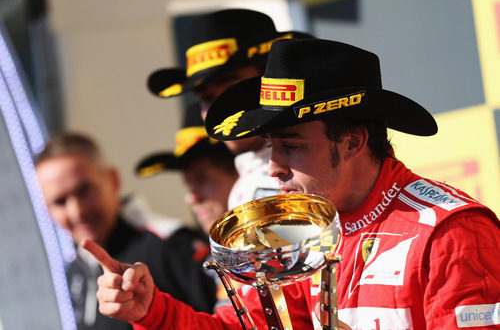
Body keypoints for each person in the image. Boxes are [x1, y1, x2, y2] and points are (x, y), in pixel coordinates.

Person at [84, 39, 500, 329]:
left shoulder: (448, 233)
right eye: (269, 146)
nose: (274, 168)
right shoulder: (302, 234)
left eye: (292, 147)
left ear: (353, 140)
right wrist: (153, 311)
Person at [35, 132, 217, 330]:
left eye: (84, 191)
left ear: (113, 180)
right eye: (60, 201)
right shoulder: (72, 272)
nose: (77, 211)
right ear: (47, 209)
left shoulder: (172, 244)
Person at [147, 8, 313, 208]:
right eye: (206, 98)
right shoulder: (242, 187)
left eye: (231, 89)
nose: (220, 108)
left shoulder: (316, 172)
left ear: (272, 80)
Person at [135, 103, 239, 306]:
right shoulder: (209, 259)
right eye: (188, 184)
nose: (191, 198)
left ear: (239, 172)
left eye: (202, 179)